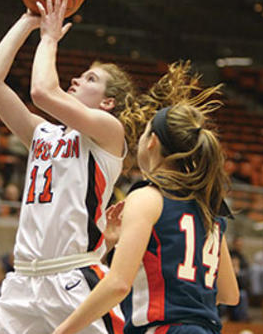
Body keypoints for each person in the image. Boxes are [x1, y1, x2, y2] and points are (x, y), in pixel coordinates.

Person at [0, 0, 145, 334]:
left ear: (109, 102)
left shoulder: (109, 133)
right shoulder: (43, 134)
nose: (77, 79)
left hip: (73, 276)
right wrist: (26, 22)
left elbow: (42, 93)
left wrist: (49, 38)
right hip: (23, 280)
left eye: (91, 79)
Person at [53, 72, 240, 333]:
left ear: (151, 142)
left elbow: (118, 283)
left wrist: (62, 330)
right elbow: (230, 295)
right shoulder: (210, 209)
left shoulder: (147, 197)